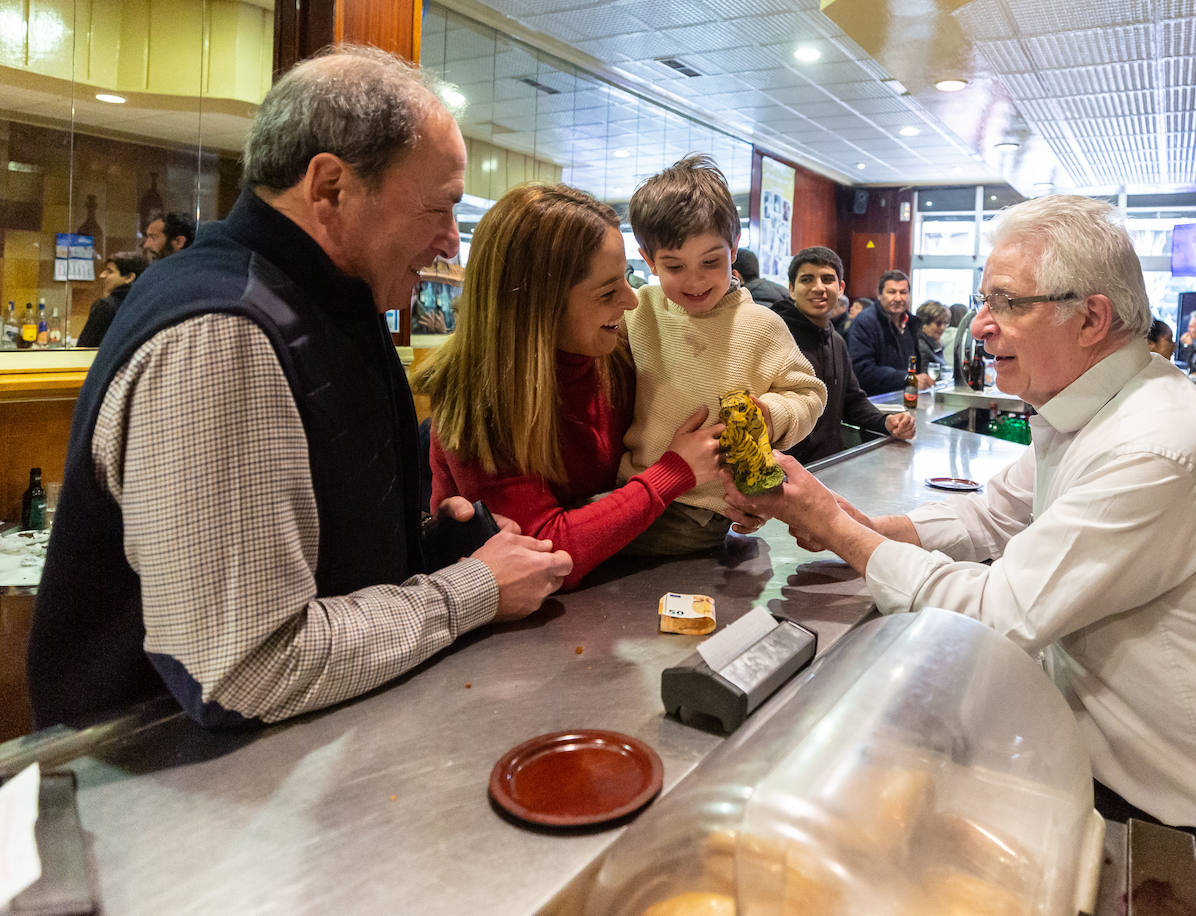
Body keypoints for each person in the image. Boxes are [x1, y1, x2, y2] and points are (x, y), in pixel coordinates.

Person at [721, 195, 1196, 915]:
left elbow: (999, 614)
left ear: (1091, 318)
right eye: (982, 298)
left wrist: (843, 535)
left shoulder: (1155, 444)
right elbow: (989, 515)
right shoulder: (1093, 410)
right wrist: (847, 517)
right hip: (1155, 794)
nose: (983, 323)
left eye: (1007, 301)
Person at [27, 46, 572, 730]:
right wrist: (473, 589)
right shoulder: (222, 333)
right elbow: (249, 667)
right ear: (330, 188)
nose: (449, 246)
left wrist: (426, 548)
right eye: (439, 209)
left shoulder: (329, 303)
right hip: (164, 786)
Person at [416, 184, 723, 589]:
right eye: (608, 291)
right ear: (539, 306)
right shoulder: (479, 400)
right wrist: (674, 473)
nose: (632, 302)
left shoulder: (615, 356)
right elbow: (546, 555)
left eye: (627, 279)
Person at [620, 153, 825, 554]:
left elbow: (809, 394)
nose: (695, 281)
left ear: (734, 249)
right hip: (634, 485)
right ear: (648, 260)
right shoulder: (640, 309)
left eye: (710, 262)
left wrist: (770, 414)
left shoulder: (760, 324)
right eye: (674, 267)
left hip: (702, 507)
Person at [772, 246, 914, 464]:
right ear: (791, 289)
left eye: (827, 279)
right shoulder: (775, 336)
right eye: (807, 279)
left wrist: (886, 421)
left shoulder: (836, 340)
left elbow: (852, 400)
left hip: (827, 465)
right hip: (783, 470)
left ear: (840, 288)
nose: (818, 288)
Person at [848, 269, 931, 394]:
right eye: (892, 292)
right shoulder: (865, 322)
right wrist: (906, 379)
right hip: (874, 401)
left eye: (903, 292)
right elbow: (862, 370)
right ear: (879, 294)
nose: (898, 298)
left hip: (904, 396)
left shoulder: (912, 323)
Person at [77, 251, 148, 347]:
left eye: (110, 271)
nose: (102, 275)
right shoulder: (149, 305)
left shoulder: (105, 307)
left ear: (129, 277)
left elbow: (84, 348)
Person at [914, 299, 950, 377]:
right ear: (924, 324)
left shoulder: (935, 343)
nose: (943, 328)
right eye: (938, 323)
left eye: (945, 323)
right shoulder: (921, 346)